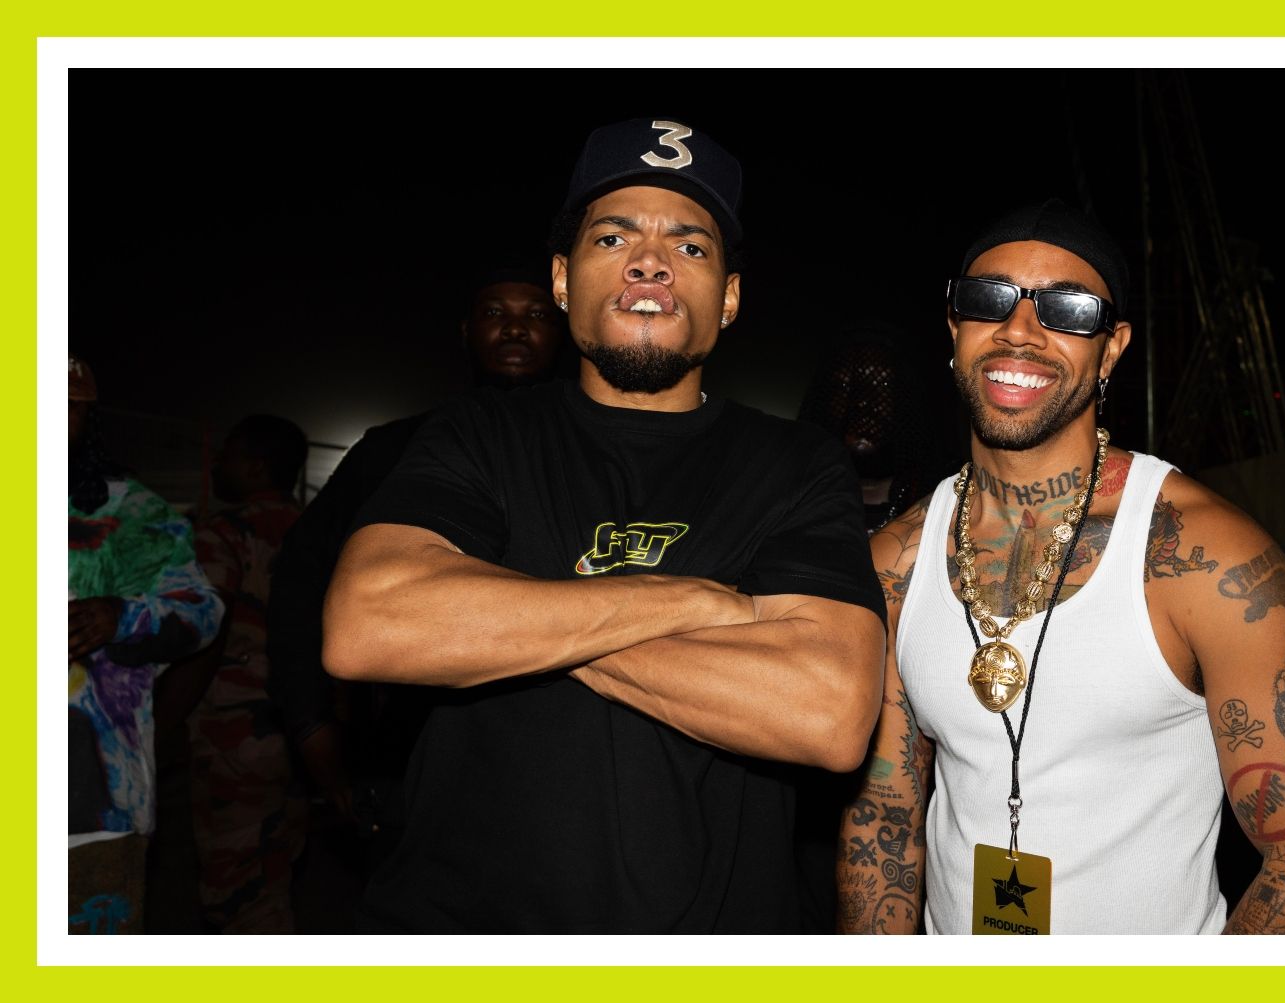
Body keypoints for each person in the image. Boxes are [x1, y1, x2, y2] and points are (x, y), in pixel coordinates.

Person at [321, 118, 886, 933]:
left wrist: (494, 618)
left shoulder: (796, 464)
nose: (650, 262)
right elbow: (370, 623)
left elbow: (826, 713)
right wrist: (692, 601)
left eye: (690, 245)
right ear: (562, 279)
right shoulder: (478, 435)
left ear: (729, 297)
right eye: (613, 236)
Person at [838, 200, 1285, 935]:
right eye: (989, 298)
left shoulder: (1207, 559)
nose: (1020, 329)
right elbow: (884, 817)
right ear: (955, 326)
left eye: (1067, 309)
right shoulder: (895, 561)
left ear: (1112, 349)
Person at [266, 262, 565, 874]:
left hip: (565, 756)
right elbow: (301, 578)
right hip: (412, 753)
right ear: (466, 331)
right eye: (494, 313)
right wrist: (310, 721)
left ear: (562, 333)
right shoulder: (393, 449)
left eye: (537, 315)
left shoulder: (599, 452)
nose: (515, 329)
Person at [69, 353, 225, 934]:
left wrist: (121, 616)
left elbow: (202, 611)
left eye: (66, 408)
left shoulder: (125, 509)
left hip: (87, 803)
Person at [162, 414, 310, 932]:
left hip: (234, 733)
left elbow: (204, 633)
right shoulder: (319, 532)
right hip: (304, 729)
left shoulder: (223, 533)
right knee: (278, 870)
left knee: (237, 892)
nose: (216, 466)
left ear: (255, 467)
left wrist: (166, 723)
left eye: (226, 456)